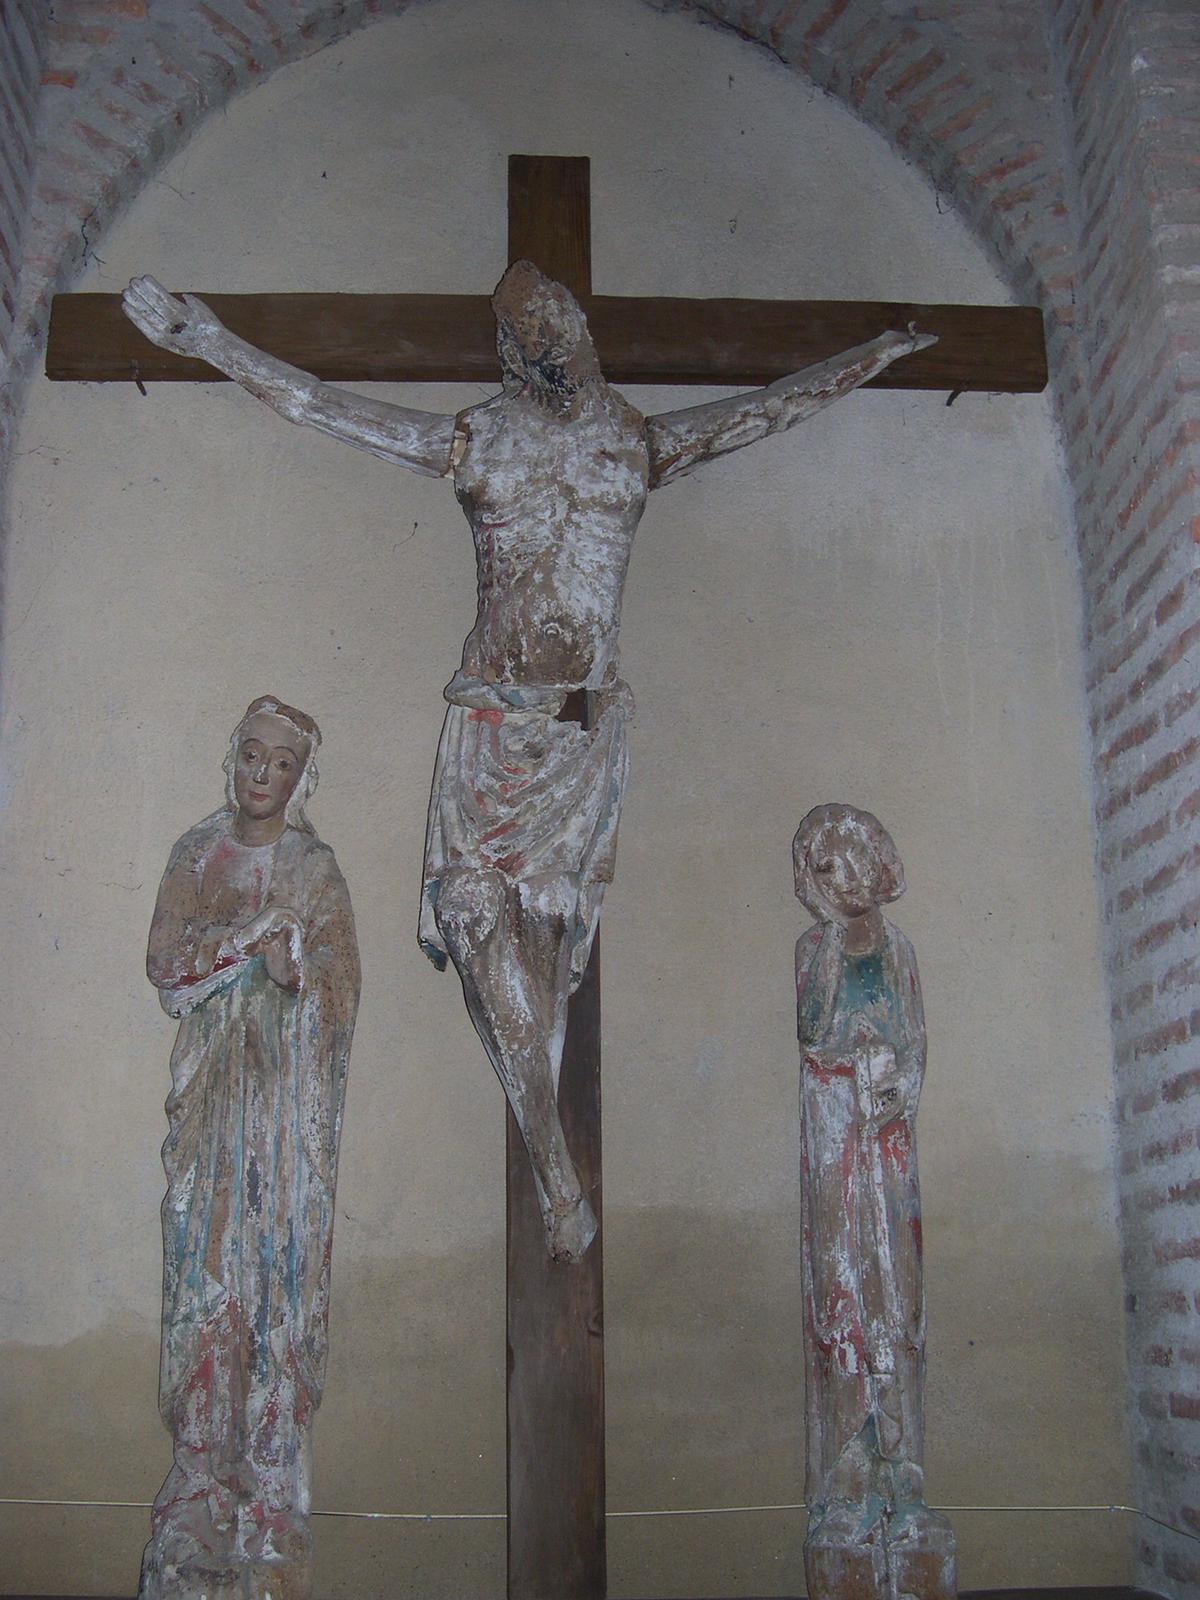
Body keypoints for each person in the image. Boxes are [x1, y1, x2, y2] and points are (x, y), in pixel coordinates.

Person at [123, 266, 933, 1261]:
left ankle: (549, 1157)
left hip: (580, 743)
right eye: (537, 327)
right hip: (489, 730)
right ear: (513, 351)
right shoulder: (479, 441)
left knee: (541, 981)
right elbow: (322, 406)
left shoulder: (634, 442)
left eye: (566, 318)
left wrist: (869, 358)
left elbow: (766, 411)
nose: (561, 335)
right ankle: (557, 1174)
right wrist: (207, 340)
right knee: (470, 917)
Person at [142, 697, 360, 1600]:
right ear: (232, 758)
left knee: (274, 1278)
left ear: (302, 778)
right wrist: (245, 943)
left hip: (282, 1111)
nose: (263, 773)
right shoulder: (197, 852)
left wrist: (296, 970)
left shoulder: (313, 867)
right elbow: (167, 964)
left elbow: (341, 985)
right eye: (252, 755)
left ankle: (270, 1483)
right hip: (211, 1108)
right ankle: (200, 1473)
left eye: (282, 762)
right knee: (203, 1275)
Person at [792, 803, 953, 1590]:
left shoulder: (901, 950)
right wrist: (831, 943)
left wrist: (899, 1085)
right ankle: (847, 1481)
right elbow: (814, 1028)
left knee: (897, 1297)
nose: (837, 880)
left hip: (888, 1147)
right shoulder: (811, 949)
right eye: (822, 868)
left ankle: (904, 1477)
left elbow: (915, 1042)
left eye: (848, 862)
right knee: (841, 1299)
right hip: (834, 1139)